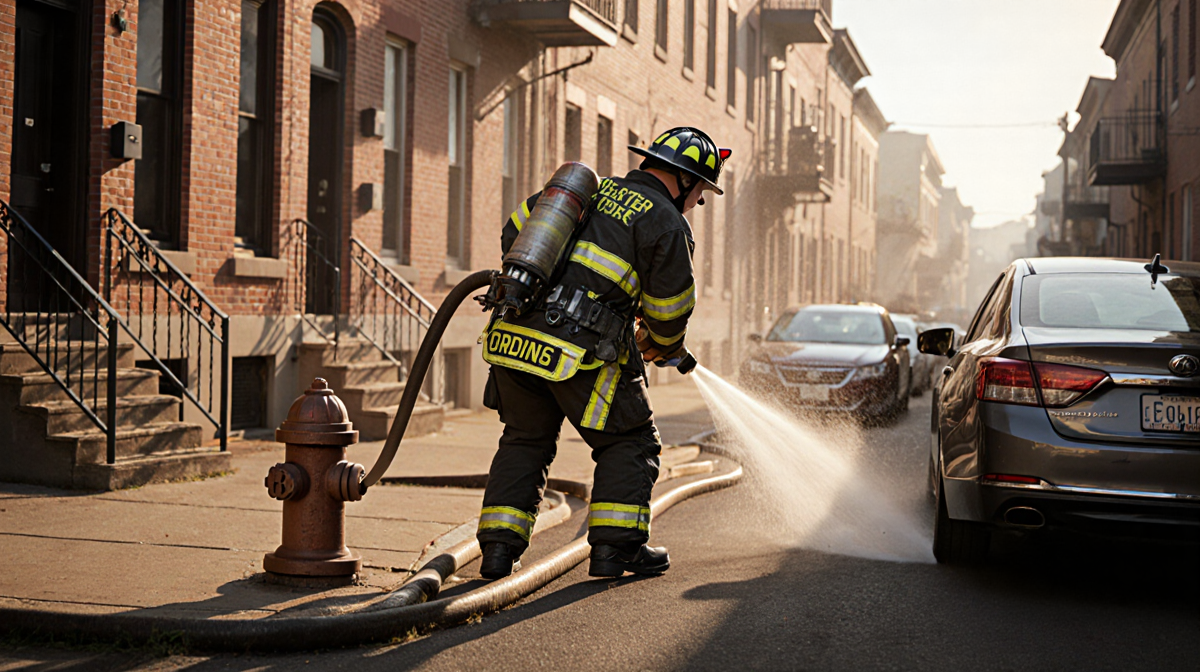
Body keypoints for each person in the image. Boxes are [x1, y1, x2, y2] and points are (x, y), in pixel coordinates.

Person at [475, 127, 731, 580]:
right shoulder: (667, 223)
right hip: (583, 353)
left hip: (513, 334)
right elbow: (670, 310)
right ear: (685, 180)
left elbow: (514, 233)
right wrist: (664, 345)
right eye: (700, 192)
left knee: (524, 439)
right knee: (630, 442)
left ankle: (498, 552)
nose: (699, 203)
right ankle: (617, 550)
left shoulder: (584, 190)